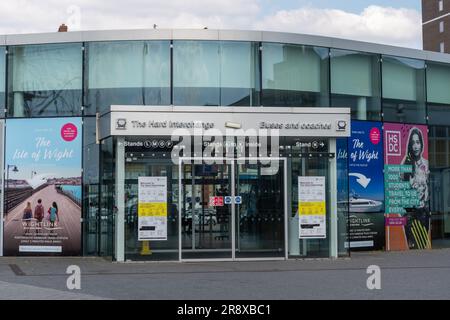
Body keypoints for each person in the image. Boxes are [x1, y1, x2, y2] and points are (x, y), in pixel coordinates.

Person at [401, 127, 430, 249]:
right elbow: (400, 188)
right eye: (413, 143)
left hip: (423, 211)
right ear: (410, 146)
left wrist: (425, 196)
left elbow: (427, 185)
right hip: (410, 213)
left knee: (422, 246)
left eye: (418, 142)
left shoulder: (426, 163)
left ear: (421, 144)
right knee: (412, 247)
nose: (416, 146)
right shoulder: (405, 163)